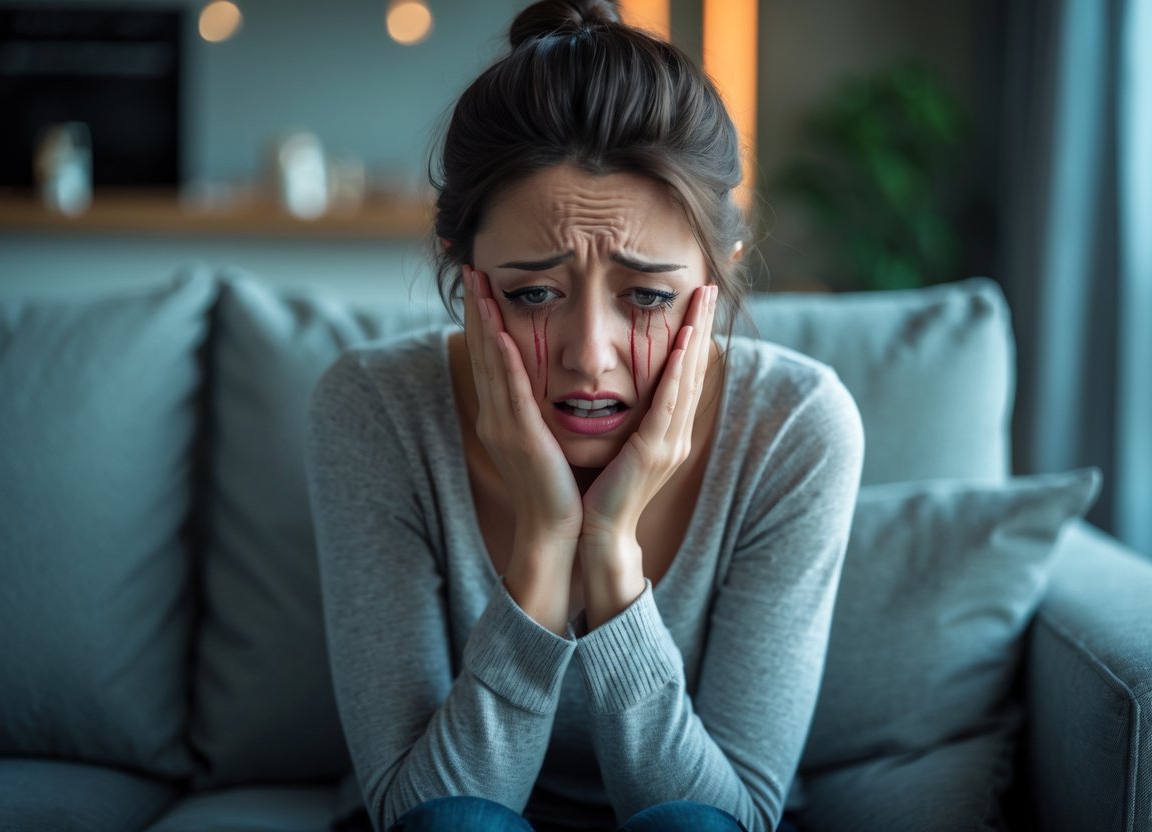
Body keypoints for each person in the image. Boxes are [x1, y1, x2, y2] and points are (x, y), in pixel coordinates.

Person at [305, 2, 864, 830]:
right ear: (464, 274)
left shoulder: (794, 427)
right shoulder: (375, 409)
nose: (589, 355)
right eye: (533, 294)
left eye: (645, 296)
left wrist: (608, 553)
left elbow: (734, 817)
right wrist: (542, 547)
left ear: (719, 276)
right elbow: (415, 812)